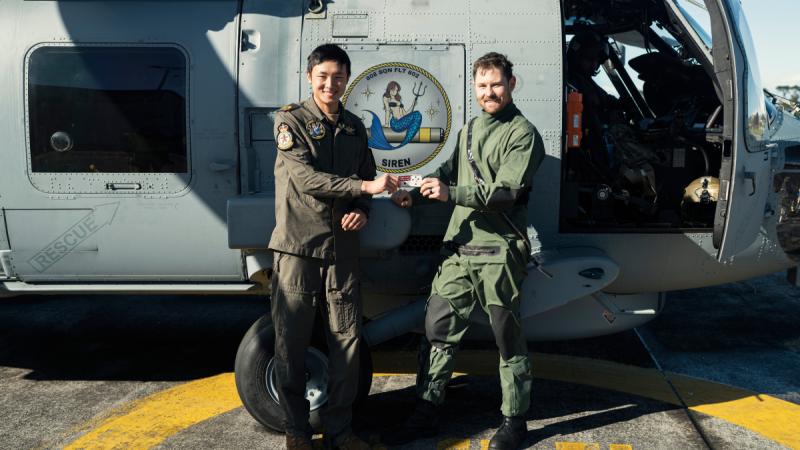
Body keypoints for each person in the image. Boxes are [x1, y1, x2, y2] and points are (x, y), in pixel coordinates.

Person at [384, 52, 545, 450]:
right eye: (482, 86)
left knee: (507, 338)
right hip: (459, 248)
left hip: (500, 249)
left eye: (496, 84)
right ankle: (426, 411)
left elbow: (506, 193)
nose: (488, 92)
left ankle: (514, 420)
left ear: (511, 84)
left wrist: (450, 193)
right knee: (437, 330)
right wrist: (415, 196)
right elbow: (446, 173)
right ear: (474, 88)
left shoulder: (523, 133)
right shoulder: (470, 130)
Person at [269, 43, 398, 450]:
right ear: (310, 77)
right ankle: (297, 432)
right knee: (291, 344)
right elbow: (307, 179)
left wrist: (363, 208)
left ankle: (340, 432)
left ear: (347, 80)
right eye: (322, 76)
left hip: (341, 252)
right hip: (298, 250)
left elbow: (367, 177)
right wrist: (364, 188)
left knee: (346, 344)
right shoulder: (291, 122)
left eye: (338, 77)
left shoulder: (355, 128)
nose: (330, 83)